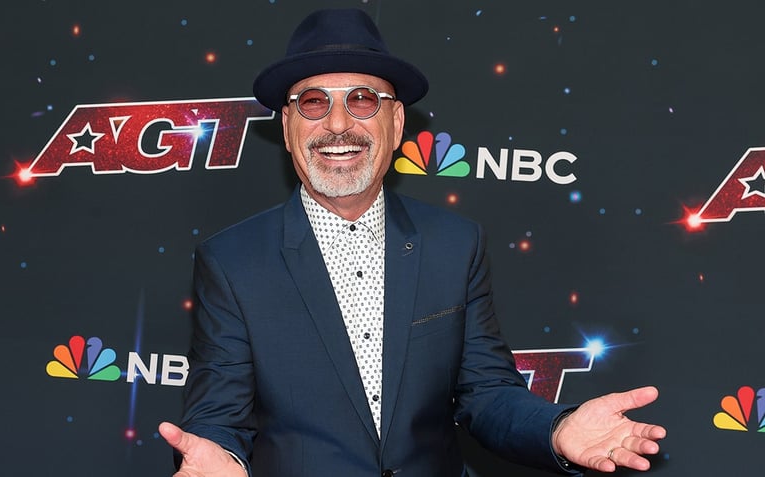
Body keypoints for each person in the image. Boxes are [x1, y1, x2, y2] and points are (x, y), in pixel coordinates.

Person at [159, 8, 666, 477]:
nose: (338, 123)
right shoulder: (231, 261)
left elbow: (487, 393)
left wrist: (557, 429)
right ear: (288, 128)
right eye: (313, 103)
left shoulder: (454, 244)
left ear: (396, 123)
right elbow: (219, 412)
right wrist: (219, 457)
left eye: (362, 100)